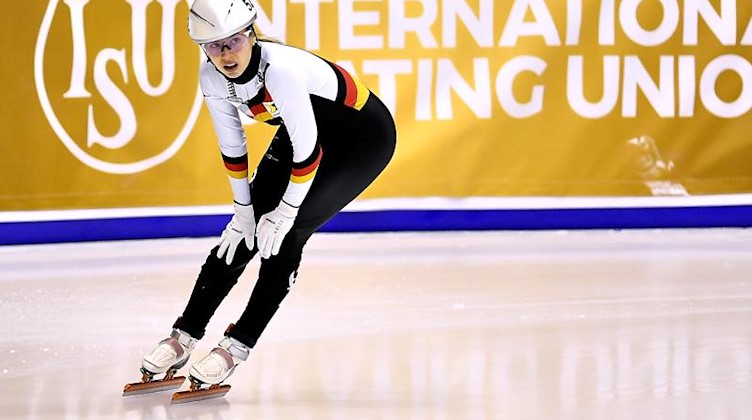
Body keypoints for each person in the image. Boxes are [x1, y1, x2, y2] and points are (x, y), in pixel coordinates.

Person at [137, 0, 396, 390]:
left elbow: (309, 153)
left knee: (287, 234)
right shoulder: (210, 75)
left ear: (251, 34)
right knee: (241, 234)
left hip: (363, 140)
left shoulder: (281, 70)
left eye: (234, 41)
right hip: (308, 132)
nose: (226, 54)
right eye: (214, 45)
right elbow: (233, 147)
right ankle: (184, 333)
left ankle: (237, 345)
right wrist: (243, 212)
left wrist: (288, 210)